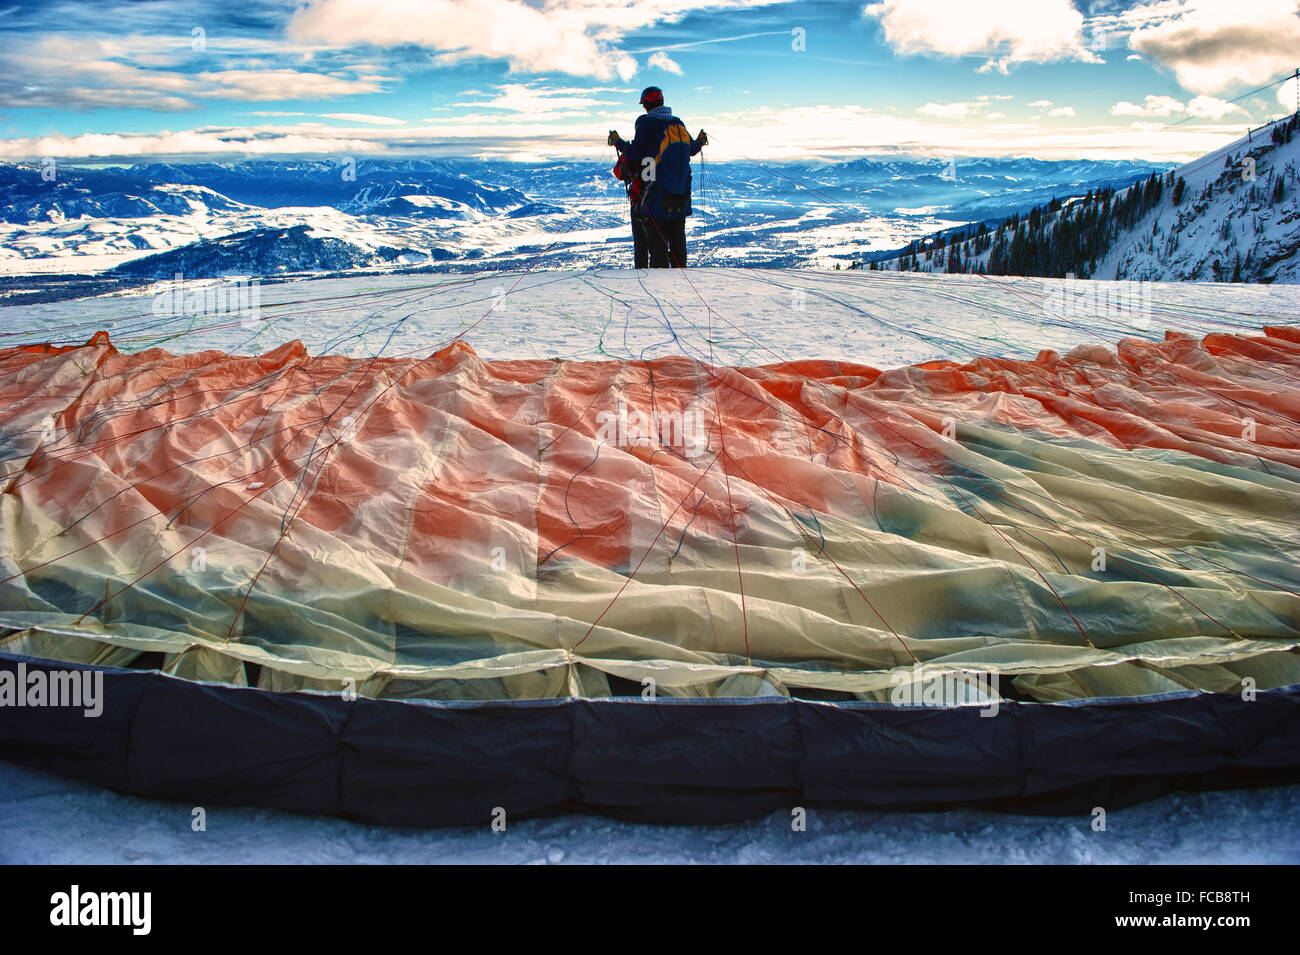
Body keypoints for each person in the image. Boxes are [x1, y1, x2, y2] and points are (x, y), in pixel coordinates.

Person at [608, 86, 707, 268]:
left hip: (655, 198)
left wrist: (617, 142)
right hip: (680, 196)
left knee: (657, 249)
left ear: (646, 104)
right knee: (678, 242)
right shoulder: (678, 124)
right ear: (662, 102)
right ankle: (681, 287)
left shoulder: (647, 124)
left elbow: (636, 153)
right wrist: (701, 140)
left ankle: (659, 290)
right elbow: (692, 149)